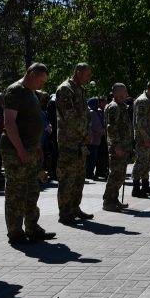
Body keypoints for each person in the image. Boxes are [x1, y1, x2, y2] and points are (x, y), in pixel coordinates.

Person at [1, 63, 56, 245]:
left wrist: (37, 145)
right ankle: (15, 232)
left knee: (32, 190)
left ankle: (32, 228)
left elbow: (32, 122)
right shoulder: (15, 91)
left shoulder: (31, 92)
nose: (41, 85)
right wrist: (20, 150)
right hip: (15, 150)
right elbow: (9, 123)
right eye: (40, 81)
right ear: (31, 74)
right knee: (16, 192)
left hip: (31, 149)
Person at [55, 63, 93, 224]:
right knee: (67, 178)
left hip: (80, 142)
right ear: (78, 72)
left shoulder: (79, 89)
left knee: (79, 177)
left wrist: (86, 134)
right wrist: (85, 134)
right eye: (87, 74)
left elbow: (84, 116)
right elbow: (70, 117)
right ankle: (65, 213)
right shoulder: (65, 89)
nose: (89, 77)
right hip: (69, 142)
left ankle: (74, 208)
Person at [103, 84, 133, 211]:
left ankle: (114, 199)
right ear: (117, 93)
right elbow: (111, 128)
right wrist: (116, 146)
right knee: (115, 175)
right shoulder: (114, 107)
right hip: (117, 147)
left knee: (120, 175)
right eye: (123, 92)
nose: (126, 94)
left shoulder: (122, 106)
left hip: (123, 146)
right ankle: (108, 202)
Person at [131, 80, 150, 198]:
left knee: (148, 162)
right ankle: (136, 188)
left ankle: (145, 185)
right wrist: (146, 137)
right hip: (143, 138)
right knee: (140, 162)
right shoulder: (143, 100)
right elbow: (140, 122)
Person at [86, 98, 105, 179]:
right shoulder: (92, 112)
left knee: (92, 157)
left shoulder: (93, 112)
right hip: (93, 139)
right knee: (92, 158)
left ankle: (89, 172)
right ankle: (89, 173)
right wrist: (103, 131)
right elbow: (96, 126)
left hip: (93, 139)